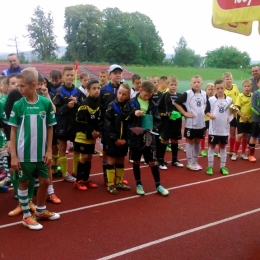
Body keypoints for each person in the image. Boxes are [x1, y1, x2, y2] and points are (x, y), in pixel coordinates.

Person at [9, 70, 60, 230]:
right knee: (23, 181)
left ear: (33, 85)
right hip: (24, 154)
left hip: (41, 152)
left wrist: (49, 151)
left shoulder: (45, 103)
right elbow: (13, 131)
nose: (19, 89)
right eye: (18, 85)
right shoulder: (18, 105)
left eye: (22, 86)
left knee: (45, 181)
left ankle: (40, 210)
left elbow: (51, 128)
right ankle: (26, 216)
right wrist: (14, 156)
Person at [128, 80, 169, 196]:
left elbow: (157, 121)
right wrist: (133, 114)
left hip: (148, 137)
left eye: (150, 95)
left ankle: (158, 185)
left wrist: (153, 128)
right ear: (140, 90)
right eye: (146, 94)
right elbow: (126, 117)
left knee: (152, 162)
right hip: (135, 137)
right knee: (136, 161)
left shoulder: (153, 105)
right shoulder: (131, 102)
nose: (147, 97)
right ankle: (139, 184)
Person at [53, 66, 85, 182]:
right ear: (63, 77)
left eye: (72, 75)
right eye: (67, 75)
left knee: (77, 148)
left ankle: (75, 171)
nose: (70, 77)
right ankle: (64, 172)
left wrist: (77, 103)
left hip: (75, 124)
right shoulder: (59, 92)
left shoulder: (78, 91)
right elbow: (55, 109)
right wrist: (67, 106)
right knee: (62, 147)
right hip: (62, 124)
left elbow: (84, 106)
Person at [100, 64, 128, 186]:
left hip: (121, 129)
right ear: (109, 75)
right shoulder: (104, 90)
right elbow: (100, 109)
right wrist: (100, 128)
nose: (117, 75)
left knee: (120, 156)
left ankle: (118, 178)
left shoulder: (127, 90)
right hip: (108, 127)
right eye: (115, 72)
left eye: (119, 73)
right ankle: (107, 177)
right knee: (107, 153)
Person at [73, 79, 101, 190]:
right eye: (94, 88)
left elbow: (99, 119)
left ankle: (85, 179)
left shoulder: (99, 102)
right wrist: (91, 130)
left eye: (98, 88)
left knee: (89, 157)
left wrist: (98, 130)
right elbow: (80, 120)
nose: (97, 90)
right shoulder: (84, 104)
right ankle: (78, 180)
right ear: (88, 90)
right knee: (84, 157)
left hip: (92, 136)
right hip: (82, 135)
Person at [174, 75, 207, 171]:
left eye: (198, 82)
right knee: (190, 141)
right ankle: (189, 162)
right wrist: (184, 113)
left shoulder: (204, 93)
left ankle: (195, 161)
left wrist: (203, 111)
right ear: (191, 84)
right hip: (191, 123)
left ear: (201, 83)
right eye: (194, 82)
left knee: (197, 141)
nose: (196, 84)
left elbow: (205, 104)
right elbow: (176, 102)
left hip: (201, 123)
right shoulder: (187, 94)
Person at [104, 83, 131, 194]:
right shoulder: (111, 106)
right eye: (119, 93)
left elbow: (130, 125)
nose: (120, 96)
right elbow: (108, 124)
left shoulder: (129, 107)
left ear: (128, 96)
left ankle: (119, 181)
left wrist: (125, 139)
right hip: (112, 140)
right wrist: (115, 139)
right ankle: (110, 184)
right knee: (111, 160)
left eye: (124, 94)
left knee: (121, 159)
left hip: (124, 140)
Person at [205, 79, 233, 175]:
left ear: (224, 88)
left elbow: (231, 114)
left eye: (222, 88)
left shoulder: (229, 100)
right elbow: (206, 111)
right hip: (214, 129)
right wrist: (210, 115)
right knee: (212, 146)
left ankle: (223, 167)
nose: (220, 90)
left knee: (223, 147)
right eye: (218, 88)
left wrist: (228, 121)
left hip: (224, 129)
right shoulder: (211, 100)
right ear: (215, 89)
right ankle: (210, 166)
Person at [157, 76, 183, 170]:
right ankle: (160, 160)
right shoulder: (164, 96)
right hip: (166, 123)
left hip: (177, 123)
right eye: (171, 85)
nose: (173, 87)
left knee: (175, 140)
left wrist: (181, 114)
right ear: (167, 85)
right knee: (164, 140)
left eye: (175, 85)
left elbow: (183, 108)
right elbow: (159, 109)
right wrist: (167, 114)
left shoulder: (180, 96)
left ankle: (175, 160)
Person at [46, 69, 63, 177]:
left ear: (60, 79)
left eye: (57, 80)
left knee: (58, 144)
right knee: (50, 144)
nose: (55, 82)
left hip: (59, 119)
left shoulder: (61, 88)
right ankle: (51, 165)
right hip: (48, 118)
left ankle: (56, 165)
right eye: (53, 80)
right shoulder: (47, 86)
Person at [231, 79, 253, 161]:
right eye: (245, 86)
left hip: (249, 120)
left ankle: (243, 153)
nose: (247, 88)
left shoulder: (253, 96)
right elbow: (236, 108)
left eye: (248, 86)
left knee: (245, 136)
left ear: (251, 87)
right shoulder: (240, 96)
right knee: (240, 135)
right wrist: (243, 117)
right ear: (242, 87)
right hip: (241, 119)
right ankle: (235, 152)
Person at [223, 72, 240, 156]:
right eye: (227, 79)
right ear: (224, 80)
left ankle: (232, 150)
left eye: (230, 79)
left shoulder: (235, 87)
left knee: (236, 132)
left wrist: (237, 108)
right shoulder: (223, 90)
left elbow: (238, 98)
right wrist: (232, 108)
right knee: (227, 132)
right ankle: (225, 150)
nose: (229, 81)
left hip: (236, 113)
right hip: (228, 114)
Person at [248, 75, 260, 162]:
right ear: (257, 83)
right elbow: (253, 107)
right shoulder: (256, 94)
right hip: (256, 119)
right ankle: (251, 155)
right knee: (254, 136)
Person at [200, 83, 214, 157]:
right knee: (203, 133)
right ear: (205, 90)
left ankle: (210, 149)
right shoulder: (203, 98)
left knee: (211, 134)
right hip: (204, 118)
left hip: (211, 119)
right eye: (209, 89)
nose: (210, 91)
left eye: (212, 89)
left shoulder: (215, 98)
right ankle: (202, 149)